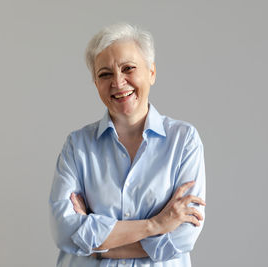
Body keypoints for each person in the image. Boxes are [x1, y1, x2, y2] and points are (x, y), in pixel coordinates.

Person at [49, 23, 206, 267]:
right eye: (105, 74)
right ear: (95, 82)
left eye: (128, 68)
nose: (118, 82)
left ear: (152, 72)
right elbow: (64, 231)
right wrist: (155, 225)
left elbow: (182, 237)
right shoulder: (77, 146)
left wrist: (97, 247)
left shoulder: (184, 141)